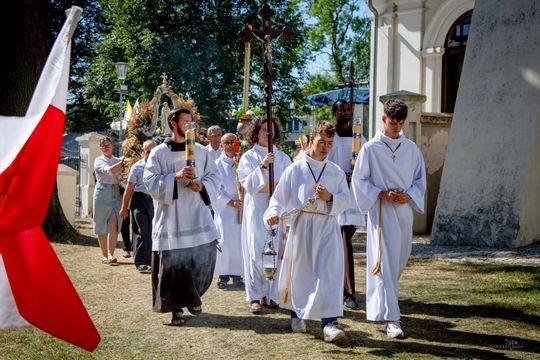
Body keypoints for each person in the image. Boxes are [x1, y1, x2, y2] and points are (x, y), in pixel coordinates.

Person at [264, 121, 350, 342]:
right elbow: (278, 198)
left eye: (330, 143)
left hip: (327, 227)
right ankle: (297, 315)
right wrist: (273, 214)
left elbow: (346, 200)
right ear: (312, 140)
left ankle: (329, 323)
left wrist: (330, 198)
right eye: (321, 142)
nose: (325, 147)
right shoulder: (296, 169)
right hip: (302, 227)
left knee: (328, 274)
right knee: (300, 274)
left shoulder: (335, 171)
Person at [351, 99, 426, 339]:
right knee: (386, 265)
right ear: (383, 119)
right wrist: (380, 193)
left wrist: (409, 195)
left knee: (399, 263)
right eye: (393, 123)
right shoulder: (370, 149)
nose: (396, 128)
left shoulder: (411, 148)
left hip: (403, 212)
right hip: (381, 212)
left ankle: (381, 308)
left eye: (400, 123)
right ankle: (393, 319)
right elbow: (359, 181)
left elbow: (419, 181)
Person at [143, 108, 220, 326]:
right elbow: (149, 182)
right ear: (173, 124)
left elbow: (215, 177)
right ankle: (176, 310)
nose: (190, 125)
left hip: (197, 216)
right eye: (186, 121)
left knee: (200, 261)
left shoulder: (202, 151)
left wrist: (201, 185)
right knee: (173, 267)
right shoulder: (160, 153)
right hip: (171, 219)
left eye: (192, 121)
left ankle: (194, 297)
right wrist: (174, 178)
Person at [237, 116, 292, 314]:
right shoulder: (249, 157)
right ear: (255, 132)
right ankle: (255, 295)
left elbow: (288, 186)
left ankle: (269, 295)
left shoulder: (284, 158)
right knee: (255, 253)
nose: (267, 133)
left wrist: (274, 189)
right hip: (256, 211)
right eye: (263, 129)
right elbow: (248, 185)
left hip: (275, 211)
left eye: (271, 130)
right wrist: (261, 166)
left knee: (273, 252)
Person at [328, 99, 367, 309]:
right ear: (334, 112)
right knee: (342, 242)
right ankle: (347, 292)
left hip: (352, 195)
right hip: (333, 193)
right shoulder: (329, 136)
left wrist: (357, 174)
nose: (346, 112)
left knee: (344, 241)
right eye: (341, 109)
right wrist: (341, 175)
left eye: (348, 109)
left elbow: (367, 161)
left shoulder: (358, 135)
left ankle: (344, 290)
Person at [119, 139, 157, 273]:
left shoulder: (161, 166)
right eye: (148, 152)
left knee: (154, 231)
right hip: (140, 199)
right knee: (141, 230)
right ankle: (141, 261)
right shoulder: (137, 167)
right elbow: (129, 189)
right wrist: (124, 208)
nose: (151, 154)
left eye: (153, 151)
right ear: (142, 152)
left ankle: (152, 260)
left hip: (155, 200)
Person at [213, 133, 245, 289]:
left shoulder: (242, 162)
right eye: (228, 142)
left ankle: (238, 274)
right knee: (225, 241)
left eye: (234, 142)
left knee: (240, 242)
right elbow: (215, 188)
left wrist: (243, 199)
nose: (231, 145)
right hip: (225, 209)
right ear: (221, 145)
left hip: (242, 207)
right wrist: (230, 201)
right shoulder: (217, 164)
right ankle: (223, 274)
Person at [93, 136, 124, 265]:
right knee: (101, 225)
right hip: (102, 193)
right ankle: (105, 255)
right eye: (103, 145)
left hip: (116, 193)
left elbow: (122, 176)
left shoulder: (118, 160)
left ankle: (111, 255)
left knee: (114, 223)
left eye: (108, 145)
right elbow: (110, 171)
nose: (106, 147)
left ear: (112, 146)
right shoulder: (98, 161)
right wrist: (124, 162)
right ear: (100, 148)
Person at [119, 140, 132, 258]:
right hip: (124, 190)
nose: (127, 148)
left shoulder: (138, 158)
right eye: (125, 147)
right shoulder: (121, 160)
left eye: (128, 146)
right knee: (125, 220)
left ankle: (136, 246)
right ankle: (127, 247)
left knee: (138, 221)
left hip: (137, 192)